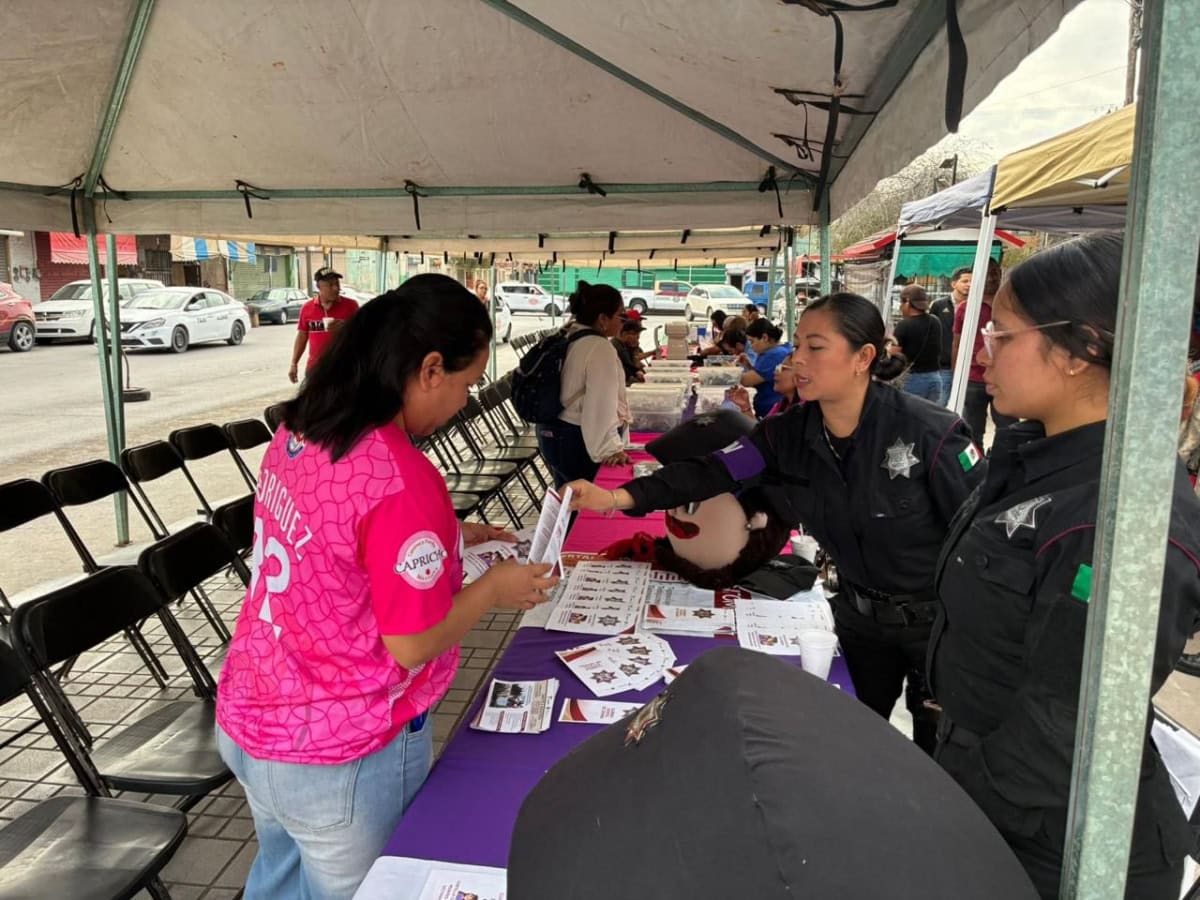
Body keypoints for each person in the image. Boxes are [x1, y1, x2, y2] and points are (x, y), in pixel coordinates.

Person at [217, 274, 558, 899]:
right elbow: (412, 643)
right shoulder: (400, 476)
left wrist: (448, 535)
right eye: (466, 384)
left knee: (278, 884)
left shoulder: (302, 431)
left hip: (255, 718)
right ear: (430, 369)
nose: (464, 402)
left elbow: (335, 540)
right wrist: (493, 590)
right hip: (342, 750)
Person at [567, 292, 986, 753]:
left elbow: (981, 541)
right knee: (858, 742)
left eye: (815, 347)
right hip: (859, 621)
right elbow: (711, 471)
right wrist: (617, 497)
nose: (797, 358)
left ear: (863, 357)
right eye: (798, 344)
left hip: (938, 628)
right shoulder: (789, 434)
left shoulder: (931, 433)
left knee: (939, 754)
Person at [928, 233, 1200, 899]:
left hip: (1056, 846)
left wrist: (950, 806)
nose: (984, 351)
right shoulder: (1037, 457)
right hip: (993, 795)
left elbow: (1067, 723)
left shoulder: (1121, 511)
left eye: (1002, 334)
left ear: (1079, 351)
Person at [537, 281, 630, 486]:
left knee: (567, 495)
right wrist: (610, 448)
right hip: (576, 439)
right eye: (620, 315)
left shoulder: (570, 335)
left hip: (553, 433)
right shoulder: (599, 347)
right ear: (603, 318)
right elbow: (600, 404)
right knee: (584, 498)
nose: (623, 321)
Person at [952, 259, 1017, 445]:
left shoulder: (1012, 306)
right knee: (973, 430)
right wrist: (956, 374)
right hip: (973, 378)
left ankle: (1003, 460)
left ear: (1000, 274)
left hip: (1005, 377)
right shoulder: (965, 308)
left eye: (994, 273)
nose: (991, 278)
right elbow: (957, 343)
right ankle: (978, 462)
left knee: (1008, 428)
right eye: (986, 274)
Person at [289, 267, 359, 384]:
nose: (336, 288)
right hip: (315, 370)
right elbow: (302, 336)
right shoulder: (307, 308)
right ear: (318, 287)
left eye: (337, 284)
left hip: (344, 370)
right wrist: (293, 364)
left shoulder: (351, 306)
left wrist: (346, 327)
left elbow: (364, 335)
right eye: (330, 285)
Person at [893, 285, 944, 404]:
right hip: (935, 378)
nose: (900, 307)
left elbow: (894, 353)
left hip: (912, 380)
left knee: (909, 414)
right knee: (929, 415)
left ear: (907, 303)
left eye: (901, 302)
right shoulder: (935, 321)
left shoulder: (904, 325)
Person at [737, 319, 793, 418]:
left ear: (764, 337)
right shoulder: (782, 349)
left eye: (752, 341)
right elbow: (763, 376)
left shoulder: (774, 354)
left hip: (769, 410)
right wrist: (749, 366)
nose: (751, 346)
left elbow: (747, 381)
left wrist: (729, 372)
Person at [929, 284, 957, 404]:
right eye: (965, 281)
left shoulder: (975, 306)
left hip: (968, 366)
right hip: (945, 364)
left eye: (971, 281)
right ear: (954, 283)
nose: (968, 285)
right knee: (940, 403)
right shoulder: (939, 305)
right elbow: (931, 331)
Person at [612, 315, 648, 385]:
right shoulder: (618, 347)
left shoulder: (625, 346)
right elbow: (632, 368)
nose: (637, 337)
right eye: (634, 334)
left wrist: (635, 348)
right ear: (625, 334)